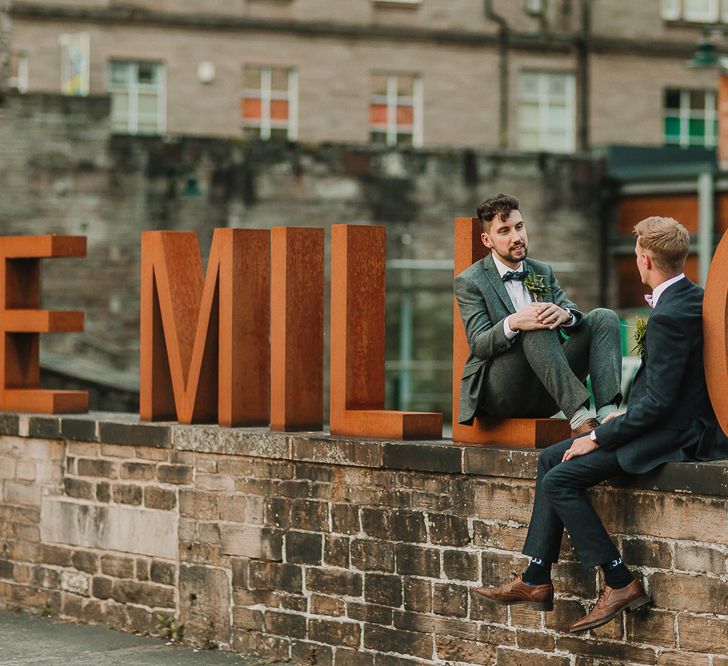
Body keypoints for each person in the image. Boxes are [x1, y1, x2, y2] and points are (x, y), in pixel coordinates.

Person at [476, 215, 724, 632]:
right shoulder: (692, 297)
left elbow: (659, 405)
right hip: (666, 422)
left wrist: (598, 435)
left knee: (560, 479)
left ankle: (619, 581)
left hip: (671, 436)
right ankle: (536, 577)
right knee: (550, 459)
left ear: (644, 260)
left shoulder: (669, 316)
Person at [454, 194, 622, 436]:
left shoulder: (540, 270)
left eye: (519, 227)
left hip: (549, 388)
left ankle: (607, 416)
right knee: (534, 323)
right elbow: (479, 345)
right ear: (487, 240)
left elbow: (573, 311)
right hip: (502, 392)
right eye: (504, 231)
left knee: (603, 317)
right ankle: (580, 419)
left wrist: (563, 315)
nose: (517, 237)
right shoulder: (470, 281)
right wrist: (514, 322)